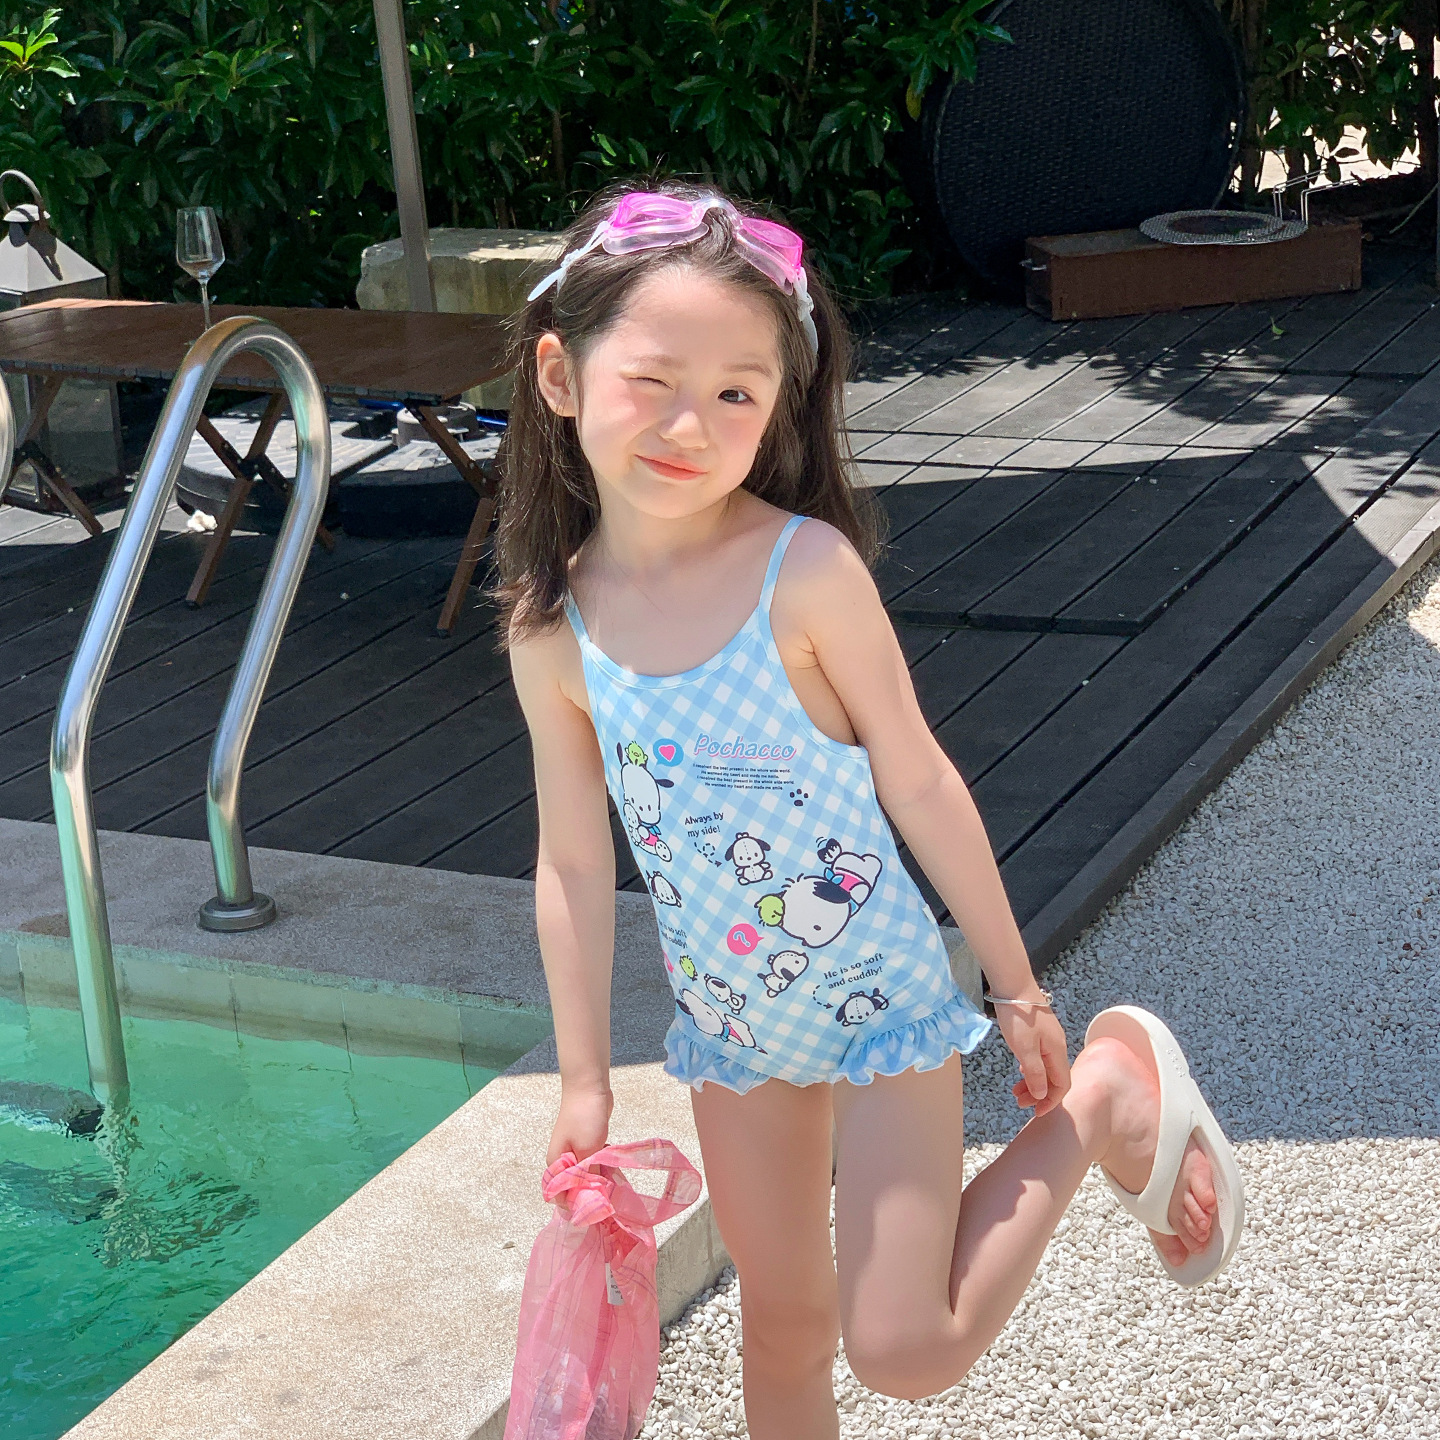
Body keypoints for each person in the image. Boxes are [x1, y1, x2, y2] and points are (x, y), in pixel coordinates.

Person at [499, 181, 1244, 1438]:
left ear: (779, 408)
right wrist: (583, 1082)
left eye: (736, 394)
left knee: (903, 1348)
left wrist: (1017, 989)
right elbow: (571, 863)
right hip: (734, 1034)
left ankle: (1107, 1099)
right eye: (653, 381)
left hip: (883, 1011)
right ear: (562, 376)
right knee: (780, 1332)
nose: (691, 424)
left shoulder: (805, 572)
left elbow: (919, 776)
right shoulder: (554, 629)